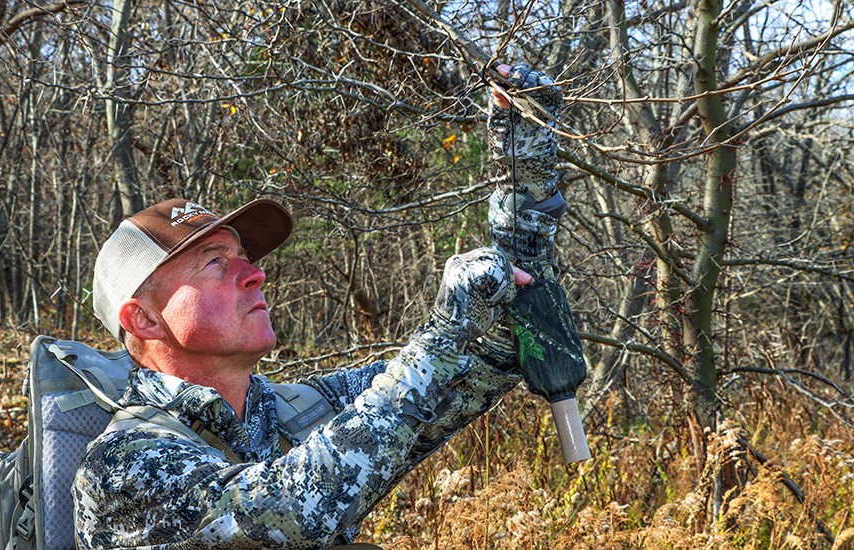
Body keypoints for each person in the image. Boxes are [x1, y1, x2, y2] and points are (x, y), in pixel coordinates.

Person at [73, 63, 567, 549]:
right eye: (214, 262)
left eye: (243, 256)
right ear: (144, 318)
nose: (255, 273)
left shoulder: (293, 411)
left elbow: (484, 361)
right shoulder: (122, 465)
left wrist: (524, 172)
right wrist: (443, 332)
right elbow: (290, 514)